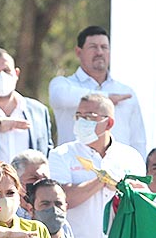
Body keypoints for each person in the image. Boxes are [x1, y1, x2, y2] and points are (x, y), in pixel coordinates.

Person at [48, 93, 144, 238]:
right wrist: (103, 180)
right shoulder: (62, 154)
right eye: (78, 116)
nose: (81, 122)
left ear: (109, 123)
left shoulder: (130, 156)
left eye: (89, 117)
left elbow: (141, 201)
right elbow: (63, 199)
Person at [48, 25, 146, 155]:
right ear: (78, 52)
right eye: (93, 47)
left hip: (117, 165)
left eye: (104, 47)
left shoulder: (125, 91)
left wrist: (140, 165)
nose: (99, 52)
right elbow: (60, 97)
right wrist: (107, 98)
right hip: (73, 164)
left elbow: (137, 140)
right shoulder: (63, 85)